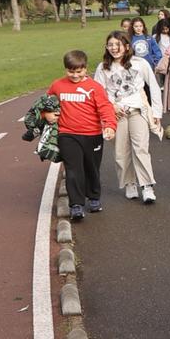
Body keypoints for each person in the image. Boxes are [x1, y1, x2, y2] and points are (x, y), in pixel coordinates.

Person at [43, 49, 117, 222]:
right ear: (65, 69)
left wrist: (110, 126)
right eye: (71, 71)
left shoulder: (94, 87)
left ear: (85, 69)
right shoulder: (57, 85)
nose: (75, 75)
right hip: (67, 134)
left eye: (79, 71)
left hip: (92, 135)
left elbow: (105, 108)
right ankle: (76, 204)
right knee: (73, 169)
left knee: (91, 167)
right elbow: (45, 104)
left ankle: (93, 197)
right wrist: (46, 115)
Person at [98, 31, 162, 205]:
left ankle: (147, 185)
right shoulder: (103, 67)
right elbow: (99, 92)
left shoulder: (139, 63)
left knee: (141, 148)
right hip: (116, 114)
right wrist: (112, 105)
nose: (114, 48)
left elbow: (154, 86)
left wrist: (156, 113)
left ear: (127, 46)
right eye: (110, 45)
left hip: (138, 110)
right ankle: (129, 183)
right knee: (120, 151)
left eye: (118, 45)